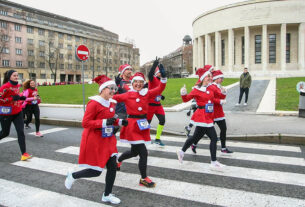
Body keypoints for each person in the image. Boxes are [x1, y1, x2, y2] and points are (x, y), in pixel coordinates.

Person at [65, 75, 128, 205]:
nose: (113, 91)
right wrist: (105, 122)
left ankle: (107, 195)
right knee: (96, 171)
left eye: (114, 88)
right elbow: (86, 123)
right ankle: (73, 175)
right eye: (110, 88)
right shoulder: (94, 103)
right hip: (95, 140)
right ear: (102, 89)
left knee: (112, 167)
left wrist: (120, 121)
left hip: (108, 139)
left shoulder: (111, 103)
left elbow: (111, 118)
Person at [113, 70, 167, 188]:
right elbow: (113, 98)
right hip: (132, 126)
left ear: (143, 83)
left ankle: (118, 160)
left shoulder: (146, 94)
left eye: (140, 82)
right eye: (135, 82)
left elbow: (159, 89)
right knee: (143, 152)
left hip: (142, 125)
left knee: (134, 152)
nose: (138, 84)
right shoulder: (128, 94)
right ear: (132, 84)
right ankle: (143, 178)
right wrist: (113, 87)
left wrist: (163, 77)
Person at [177, 67, 226, 171]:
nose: (210, 78)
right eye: (208, 76)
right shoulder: (196, 90)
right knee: (213, 138)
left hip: (208, 116)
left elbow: (218, 97)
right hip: (201, 116)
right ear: (203, 78)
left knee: (195, 137)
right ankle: (213, 162)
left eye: (210, 76)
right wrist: (183, 93)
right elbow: (186, 99)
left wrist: (223, 92)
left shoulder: (211, 88)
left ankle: (181, 151)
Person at [191, 70, 233, 154]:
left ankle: (223, 148)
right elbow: (211, 99)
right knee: (201, 132)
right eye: (221, 78)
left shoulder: (218, 86)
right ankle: (194, 143)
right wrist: (220, 101)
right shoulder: (211, 87)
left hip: (219, 113)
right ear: (216, 78)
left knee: (223, 129)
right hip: (211, 112)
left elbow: (221, 97)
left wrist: (224, 93)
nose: (222, 80)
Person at [0, 70, 32, 161]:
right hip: (6, 113)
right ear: (9, 76)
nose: (16, 77)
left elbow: (16, 96)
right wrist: (12, 98)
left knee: (21, 132)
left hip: (18, 112)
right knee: (5, 133)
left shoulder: (17, 85)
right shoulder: (5, 87)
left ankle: (24, 154)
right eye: (14, 75)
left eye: (17, 75)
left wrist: (20, 97)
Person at [147, 58, 166, 146]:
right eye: (159, 72)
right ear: (156, 73)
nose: (161, 73)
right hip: (150, 105)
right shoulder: (152, 79)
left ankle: (157, 138)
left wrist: (161, 96)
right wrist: (154, 65)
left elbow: (158, 90)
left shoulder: (161, 80)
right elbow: (150, 74)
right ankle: (144, 138)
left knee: (162, 120)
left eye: (161, 72)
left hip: (158, 105)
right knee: (147, 124)